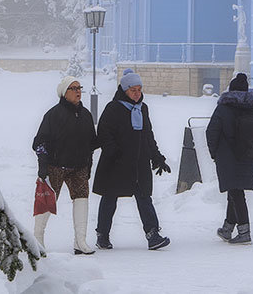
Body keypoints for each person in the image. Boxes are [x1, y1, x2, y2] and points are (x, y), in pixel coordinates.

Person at [92, 72, 171, 251]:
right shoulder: (113, 108)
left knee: (144, 199)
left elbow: (148, 135)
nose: (137, 93)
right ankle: (102, 235)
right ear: (124, 90)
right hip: (116, 164)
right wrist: (114, 152)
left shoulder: (142, 108)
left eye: (139, 90)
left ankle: (153, 235)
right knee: (110, 199)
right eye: (133, 90)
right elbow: (104, 134)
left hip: (138, 164)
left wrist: (157, 157)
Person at [32, 75, 98, 255]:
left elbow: (91, 144)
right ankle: (38, 238)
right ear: (64, 93)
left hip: (79, 167)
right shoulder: (53, 115)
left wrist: (88, 165)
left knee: (82, 199)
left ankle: (80, 241)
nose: (78, 92)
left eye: (79, 88)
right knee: (47, 201)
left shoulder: (85, 115)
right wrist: (43, 165)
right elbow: (40, 142)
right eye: (73, 88)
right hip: (55, 166)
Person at [206, 72, 253, 245]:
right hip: (249, 155)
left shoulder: (223, 108)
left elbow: (212, 132)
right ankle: (227, 228)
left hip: (228, 157)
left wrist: (214, 153)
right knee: (235, 191)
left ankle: (244, 231)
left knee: (236, 192)